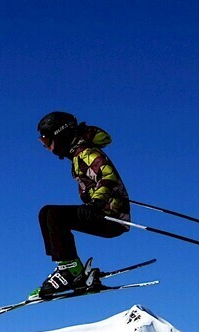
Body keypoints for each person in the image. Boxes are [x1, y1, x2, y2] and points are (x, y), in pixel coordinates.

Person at [31, 111, 130, 299]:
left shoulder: (86, 153)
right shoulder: (78, 155)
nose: (47, 148)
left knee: (54, 215)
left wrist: (96, 203)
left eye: (47, 140)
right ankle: (66, 267)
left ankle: (70, 270)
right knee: (46, 213)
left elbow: (108, 177)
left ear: (60, 134)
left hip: (110, 216)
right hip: (102, 212)